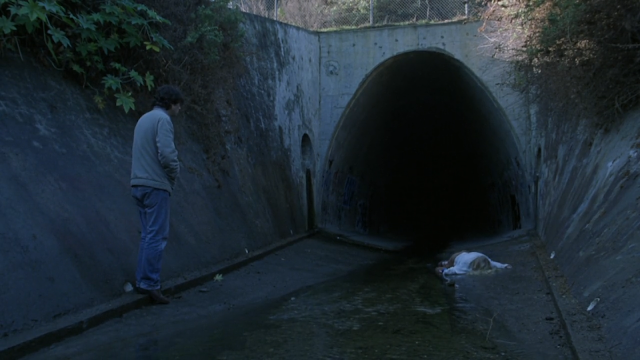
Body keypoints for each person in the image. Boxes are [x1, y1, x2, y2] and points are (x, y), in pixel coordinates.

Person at [130, 85, 183, 304]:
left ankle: (143, 281)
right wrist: (174, 174)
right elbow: (167, 155)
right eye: (179, 105)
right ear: (172, 103)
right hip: (155, 185)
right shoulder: (163, 120)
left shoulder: (143, 119)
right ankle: (150, 284)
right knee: (157, 236)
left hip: (138, 183)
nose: (179, 110)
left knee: (148, 234)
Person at [435, 250, 511, 279]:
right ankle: (444, 263)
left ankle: (443, 262)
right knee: (446, 265)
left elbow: (499, 264)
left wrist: (506, 266)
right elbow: (449, 271)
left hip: (467, 254)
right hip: (455, 257)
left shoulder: (487, 260)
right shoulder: (465, 267)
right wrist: (442, 270)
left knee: (444, 265)